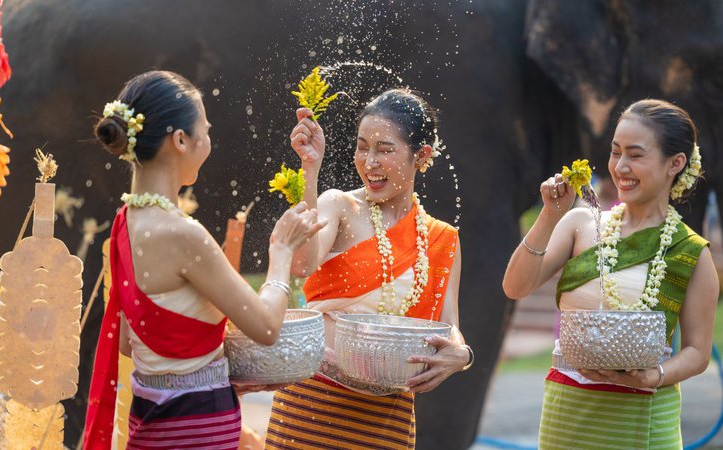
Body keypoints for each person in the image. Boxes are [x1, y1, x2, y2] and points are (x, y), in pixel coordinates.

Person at [83, 70, 325, 450]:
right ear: (180, 140)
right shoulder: (183, 234)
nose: (209, 142)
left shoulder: (124, 224)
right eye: (205, 131)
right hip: (198, 429)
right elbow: (265, 327)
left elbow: (132, 343)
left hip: (150, 421)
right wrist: (281, 251)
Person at [263, 89, 473, 449]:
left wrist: (462, 355)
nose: (369, 162)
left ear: (421, 156)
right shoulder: (339, 206)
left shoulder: (441, 239)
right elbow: (301, 263)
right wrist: (310, 171)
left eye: (384, 150)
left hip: (386, 417)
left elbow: (449, 324)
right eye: (362, 147)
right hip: (312, 404)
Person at [503, 99, 718, 449]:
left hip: (643, 415)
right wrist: (549, 215)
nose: (620, 166)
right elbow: (515, 287)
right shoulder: (580, 224)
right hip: (568, 413)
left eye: (635, 155)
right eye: (615, 152)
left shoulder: (689, 251)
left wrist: (654, 377)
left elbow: (697, 352)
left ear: (675, 163)